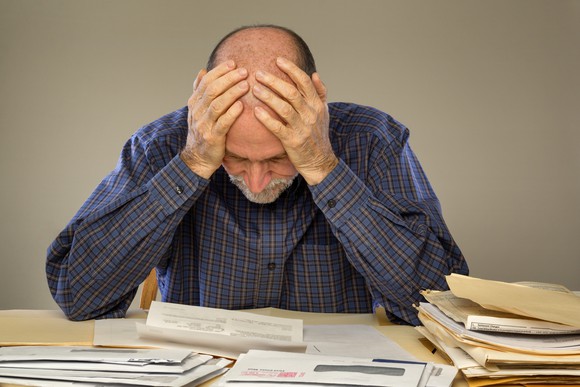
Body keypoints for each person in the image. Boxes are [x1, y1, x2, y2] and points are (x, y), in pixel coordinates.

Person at [46, 24, 468, 325]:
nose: (256, 182)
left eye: (277, 159)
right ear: (201, 102)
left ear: (314, 104)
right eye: (234, 158)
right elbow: (79, 296)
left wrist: (321, 166)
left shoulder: (372, 140)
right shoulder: (163, 143)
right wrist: (193, 163)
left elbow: (436, 302)